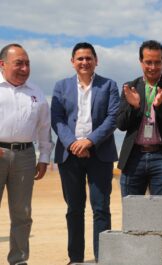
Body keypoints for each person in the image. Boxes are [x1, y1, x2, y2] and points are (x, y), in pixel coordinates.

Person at [51, 42, 119, 264]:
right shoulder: (60, 87)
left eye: (89, 58)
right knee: (74, 209)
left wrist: (89, 141)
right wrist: (73, 143)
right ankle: (76, 258)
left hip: (99, 154)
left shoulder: (109, 85)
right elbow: (57, 119)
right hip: (69, 156)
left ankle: (103, 258)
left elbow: (112, 118)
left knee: (101, 208)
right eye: (79, 58)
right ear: (72, 62)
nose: (84, 62)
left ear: (96, 60)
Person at [0, 43, 53, 265]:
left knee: (22, 213)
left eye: (27, 63)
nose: (24, 68)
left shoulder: (36, 92)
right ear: (2, 65)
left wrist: (43, 159)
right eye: (18, 63)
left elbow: (44, 128)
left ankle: (19, 260)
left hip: (25, 156)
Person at [117, 40, 162, 196]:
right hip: (133, 157)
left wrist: (160, 107)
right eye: (148, 62)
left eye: (157, 62)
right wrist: (134, 107)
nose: (153, 67)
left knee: (161, 211)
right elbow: (121, 124)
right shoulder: (130, 87)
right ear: (141, 62)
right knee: (133, 211)